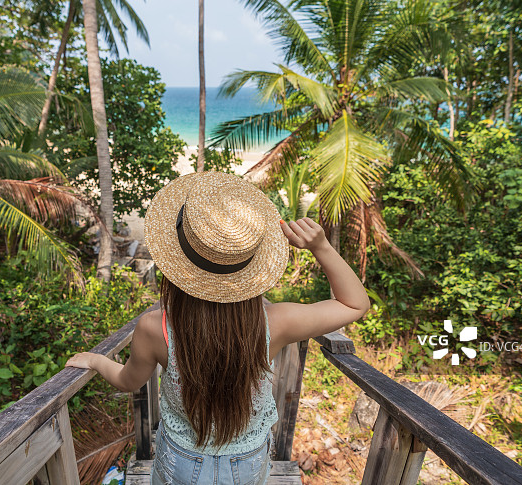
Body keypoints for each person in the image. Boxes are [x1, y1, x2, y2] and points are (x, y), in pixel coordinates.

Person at [67, 171, 370, 485]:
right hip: (248, 462)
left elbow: (128, 380)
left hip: (180, 461)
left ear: (176, 267)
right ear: (250, 267)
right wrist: (321, 246)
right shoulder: (276, 322)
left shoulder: (154, 328)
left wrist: (95, 360)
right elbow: (354, 304)